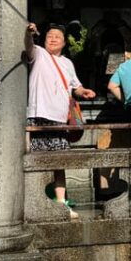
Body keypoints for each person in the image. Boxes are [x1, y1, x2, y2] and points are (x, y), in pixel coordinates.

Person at [25, 22, 96, 218]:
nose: (53, 38)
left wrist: (84, 92)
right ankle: (35, 202)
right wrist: (29, 34)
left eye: (57, 36)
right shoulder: (39, 53)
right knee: (37, 160)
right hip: (39, 114)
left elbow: (75, 87)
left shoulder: (67, 63)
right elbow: (28, 46)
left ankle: (61, 202)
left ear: (64, 43)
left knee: (60, 162)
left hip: (59, 118)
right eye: (50, 36)